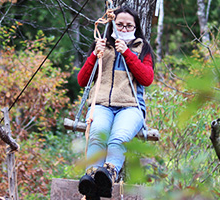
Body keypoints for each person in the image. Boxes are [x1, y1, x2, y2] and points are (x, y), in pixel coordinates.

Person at [77, 6, 155, 200]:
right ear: (112, 24)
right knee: (96, 133)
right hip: (102, 103)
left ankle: (108, 174)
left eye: (129, 26)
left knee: (118, 137)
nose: (124, 29)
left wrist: (128, 53)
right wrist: (95, 55)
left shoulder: (142, 48)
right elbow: (82, 81)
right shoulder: (102, 46)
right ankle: (92, 179)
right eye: (119, 25)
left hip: (131, 107)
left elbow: (147, 78)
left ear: (136, 27)